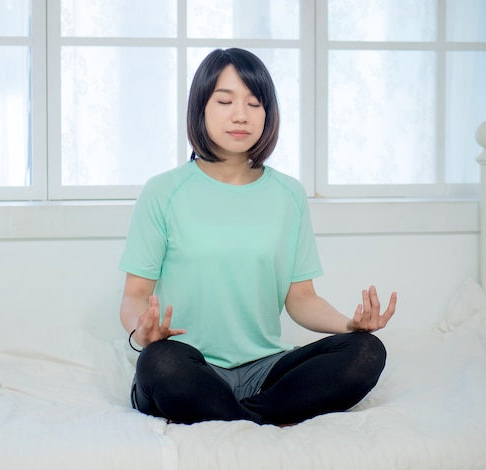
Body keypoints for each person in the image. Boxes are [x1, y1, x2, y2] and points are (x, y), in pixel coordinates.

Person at [118, 48, 397, 426]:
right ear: (201, 107)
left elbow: (301, 298)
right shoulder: (164, 191)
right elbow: (135, 294)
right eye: (225, 100)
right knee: (160, 363)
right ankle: (264, 416)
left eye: (254, 103)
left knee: (366, 352)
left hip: (264, 371)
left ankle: (240, 417)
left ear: (269, 114)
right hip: (190, 365)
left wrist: (350, 325)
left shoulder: (288, 195)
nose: (241, 115)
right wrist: (142, 331)